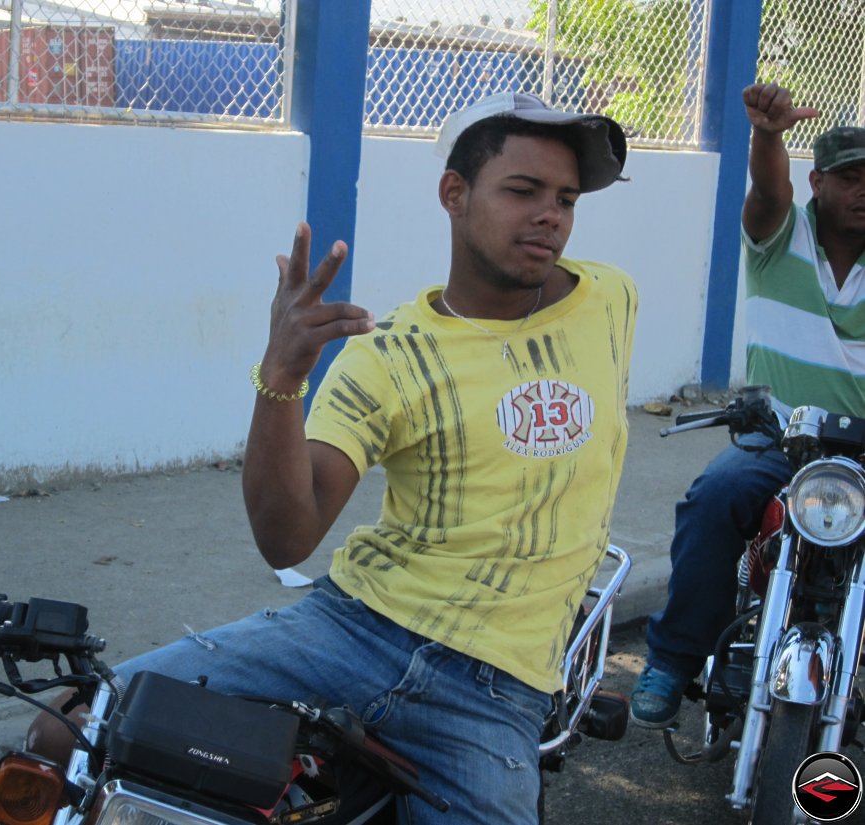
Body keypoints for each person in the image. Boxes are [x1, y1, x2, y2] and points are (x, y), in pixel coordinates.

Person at [32, 91, 635, 825]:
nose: (550, 215)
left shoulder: (611, 301)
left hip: (495, 690)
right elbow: (288, 536)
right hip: (354, 629)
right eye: (523, 190)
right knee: (71, 730)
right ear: (454, 192)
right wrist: (281, 377)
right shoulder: (389, 357)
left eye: (566, 199)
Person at [630, 82, 865, 729]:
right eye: (850, 178)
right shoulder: (779, 238)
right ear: (817, 182)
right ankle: (673, 659)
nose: (863, 190)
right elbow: (767, 194)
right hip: (784, 438)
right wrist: (767, 136)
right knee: (713, 496)